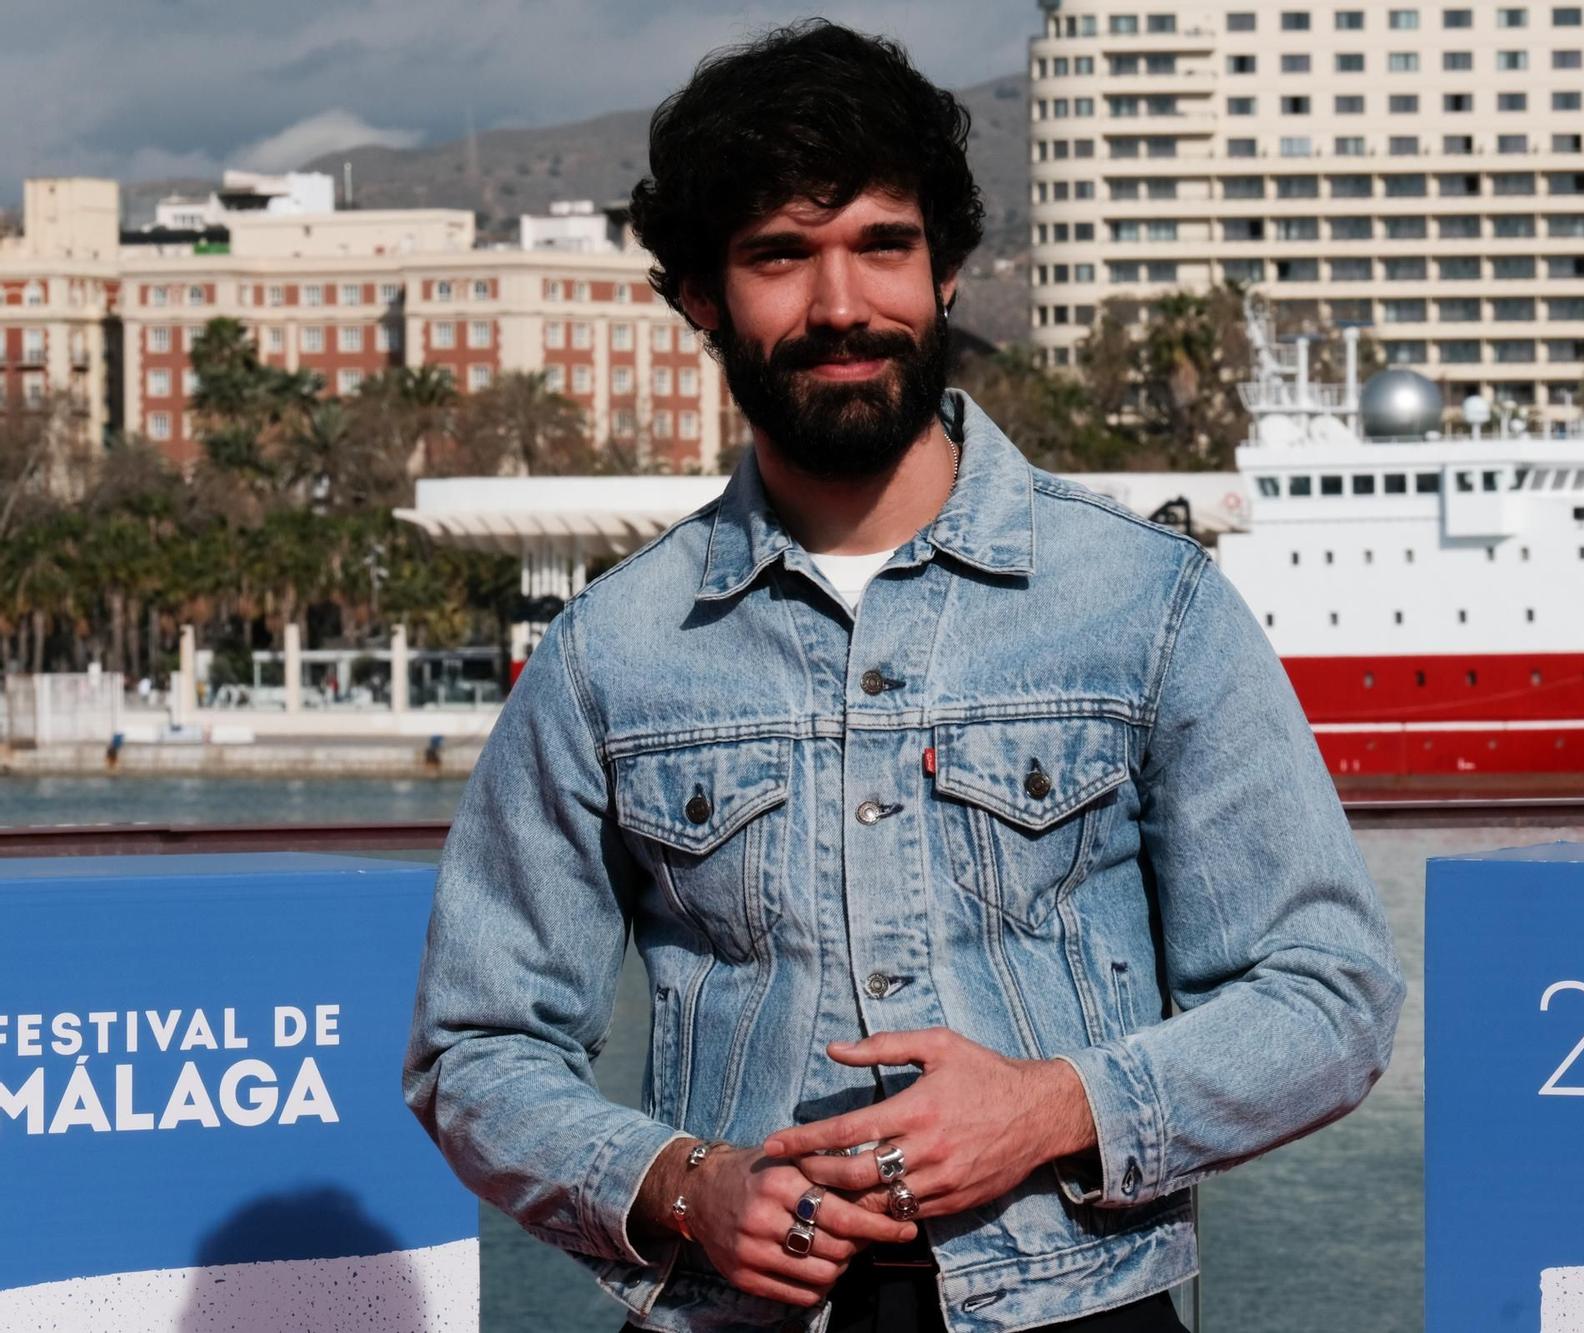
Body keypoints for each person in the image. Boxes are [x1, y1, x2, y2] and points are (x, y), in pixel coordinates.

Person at [403, 20, 1404, 1333]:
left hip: (1078, 1311)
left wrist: (1053, 1106)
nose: (840, 306)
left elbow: (1327, 992)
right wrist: (684, 1185)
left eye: (884, 243)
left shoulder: (1149, 607)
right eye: (778, 255)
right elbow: (474, 1050)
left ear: (945, 273)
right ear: (701, 295)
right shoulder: (610, 653)